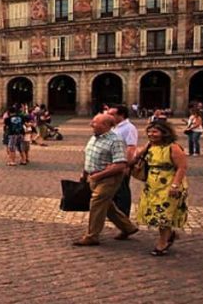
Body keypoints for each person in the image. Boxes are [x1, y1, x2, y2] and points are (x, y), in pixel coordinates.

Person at [72, 114, 139, 246]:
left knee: (96, 203)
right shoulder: (94, 137)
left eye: (94, 123)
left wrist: (100, 175)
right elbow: (89, 156)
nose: (91, 125)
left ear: (106, 125)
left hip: (109, 179)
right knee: (108, 206)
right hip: (93, 176)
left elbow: (120, 164)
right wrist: (84, 173)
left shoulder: (116, 141)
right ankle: (128, 228)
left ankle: (92, 236)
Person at [132, 120, 189, 256]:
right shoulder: (151, 146)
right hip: (152, 184)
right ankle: (168, 235)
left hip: (169, 184)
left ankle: (163, 242)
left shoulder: (173, 147)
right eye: (149, 132)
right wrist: (145, 147)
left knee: (163, 214)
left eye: (155, 132)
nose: (151, 134)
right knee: (155, 213)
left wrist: (175, 185)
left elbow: (182, 167)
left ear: (164, 133)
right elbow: (136, 157)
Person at [108, 105, 138, 217]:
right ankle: (115, 213)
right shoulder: (115, 127)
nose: (109, 116)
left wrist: (127, 165)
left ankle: (123, 214)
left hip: (122, 163)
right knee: (114, 189)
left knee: (122, 190)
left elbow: (131, 147)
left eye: (112, 114)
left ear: (121, 115)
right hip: (113, 163)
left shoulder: (129, 128)